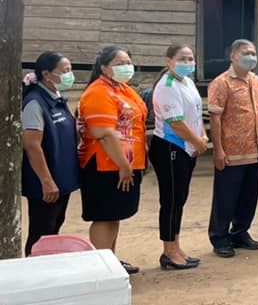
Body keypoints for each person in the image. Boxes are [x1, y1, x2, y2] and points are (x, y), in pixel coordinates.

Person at [77, 45, 148, 275]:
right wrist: (123, 166)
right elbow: (104, 134)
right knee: (104, 215)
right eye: (119, 63)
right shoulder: (99, 92)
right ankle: (100, 268)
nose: (126, 67)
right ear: (104, 67)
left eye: (128, 62)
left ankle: (111, 261)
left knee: (114, 215)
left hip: (124, 163)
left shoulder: (123, 89)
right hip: (105, 165)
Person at [149, 44, 207, 271]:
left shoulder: (188, 82)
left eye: (191, 58)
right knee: (171, 200)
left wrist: (201, 136)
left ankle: (176, 245)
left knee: (180, 199)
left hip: (188, 148)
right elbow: (176, 122)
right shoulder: (167, 86)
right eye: (183, 58)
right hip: (171, 147)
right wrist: (197, 141)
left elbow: (195, 113)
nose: (188, 62)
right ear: (169, 60)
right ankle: (168, 251)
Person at [207, 39, 258, 258]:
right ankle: (220, 238)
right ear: (233, 56)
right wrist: (218, 150)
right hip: (230, 152)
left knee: (249, 195)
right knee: (226, 197)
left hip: (253, 150)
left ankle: (240, 233)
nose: (250, 56)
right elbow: (215, 118)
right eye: (245, 53)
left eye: (253, 52)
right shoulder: (222, 83)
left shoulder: (257, 81)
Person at [20, 52, 81, 257]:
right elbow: (32, 145)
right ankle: (32, 273)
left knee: (54, 228)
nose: (69, 75)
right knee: (41, 232)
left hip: (62, 180)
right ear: (47, 74)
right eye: (64, 71)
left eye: (70, 70)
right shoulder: (34, 102)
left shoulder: (59, 100)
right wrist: (46, 181)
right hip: (45, 184)